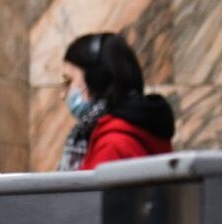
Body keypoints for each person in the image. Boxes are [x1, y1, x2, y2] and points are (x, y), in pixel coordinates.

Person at [57, 32, 174, 170]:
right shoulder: (126, 132)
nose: (63, 95)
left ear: (96, 80)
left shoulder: (113, 146)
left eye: (69, 81)